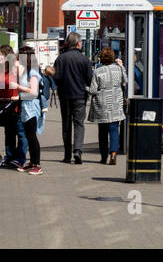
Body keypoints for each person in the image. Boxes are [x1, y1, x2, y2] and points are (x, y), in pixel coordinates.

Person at [54, 33, 93, 164]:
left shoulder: (60, 59)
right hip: (79, 96)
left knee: (66, 125)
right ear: (78, 43)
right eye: (81, 42)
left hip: (65, 96)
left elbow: (56, 78)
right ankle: (77, 150)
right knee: (79, 124)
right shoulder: (84, 59)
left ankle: (67, 155)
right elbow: (89, 80)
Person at [88, 48, 126, 166]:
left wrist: (85, 88)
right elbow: (125, 81)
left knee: (103, 132)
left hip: (102, 105)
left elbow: (93, 90)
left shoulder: (98, 71)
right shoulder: (118, 69)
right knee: (114, 129)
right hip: (115, 103)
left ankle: (104, 156)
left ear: (101, 58)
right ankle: (113, 152)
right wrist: (122, 66)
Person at [16, 48, 43, 175]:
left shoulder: (33, 71)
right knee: (28, 135)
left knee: (32, 136)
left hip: (32, 107)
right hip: (26, 106)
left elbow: (33, 92)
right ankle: (32, 162)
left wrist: (18, 88)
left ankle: (37, 164)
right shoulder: (26, 71)